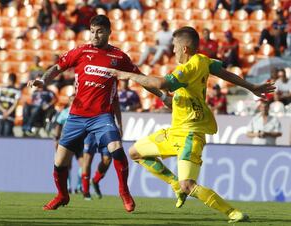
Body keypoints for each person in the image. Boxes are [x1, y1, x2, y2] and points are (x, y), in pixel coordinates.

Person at [107, 26, 275, 223]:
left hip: (190, 135)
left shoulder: (189, 68)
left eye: (175, 47)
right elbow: (223, 73)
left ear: (184, 48)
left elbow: (161, 83)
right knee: (135, 152)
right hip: (175, 131)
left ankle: (232, 212)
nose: (173, 51)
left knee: (189, 185)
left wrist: (129, 76)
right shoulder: (203, 61)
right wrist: (251, 86)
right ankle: (174, 184)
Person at [28, 15, 162, 212]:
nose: (95, 35)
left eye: (99, 31)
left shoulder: (119, 57)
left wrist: (162, 96)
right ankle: (62, 195)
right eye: (92, 31)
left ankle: (124, 191)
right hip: (76, 116)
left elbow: (141, 79)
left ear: (108, 32)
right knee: (59, 162)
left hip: (102, 116)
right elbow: (58, 67)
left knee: (116, 147)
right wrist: (43, 80)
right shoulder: (81, 51)